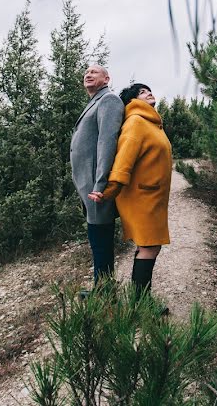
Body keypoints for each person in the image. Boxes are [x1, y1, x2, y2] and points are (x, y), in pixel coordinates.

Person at [89, 83, 171, 298]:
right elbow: (124, 159)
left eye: (148, 89)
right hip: (141, 197)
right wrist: (109, 190)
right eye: (141, 92)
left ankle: (140, 299)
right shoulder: (136, 121)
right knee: (150, 246)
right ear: (132, 101)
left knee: (148, 246)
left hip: (152, 196)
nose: (148, 92)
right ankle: (141, 301)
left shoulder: (152, 123)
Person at [70, 64, 124, 286]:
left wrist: (100, 183)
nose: (88, 74)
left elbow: (106, 142)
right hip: (89, 184)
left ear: (107, 78)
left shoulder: (109, 100)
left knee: (100, 239)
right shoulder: (95, 101)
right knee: (97, 238)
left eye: (94, 72)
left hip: (95, 185)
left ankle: (103, 292)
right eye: (86, 72)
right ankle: (102, 287)